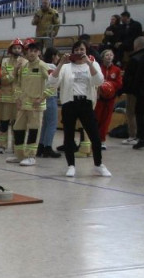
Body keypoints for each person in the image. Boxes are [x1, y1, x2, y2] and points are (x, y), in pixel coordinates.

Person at [47, 40, 109, 178]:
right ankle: (71, 166)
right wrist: (61, 63)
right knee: (68, 136)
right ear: (73, 51)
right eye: (77, 49)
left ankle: (98, 165)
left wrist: (89, 63)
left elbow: (99, 80)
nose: (79, 52)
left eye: (82, 49)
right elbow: (52, 82)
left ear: (86, 51)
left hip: (86, 103)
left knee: (95, 136)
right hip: (70, 103)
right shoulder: (66, 67)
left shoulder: (93, 64)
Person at [8, 41, 48, 166]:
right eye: (30, 51)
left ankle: (31, 156)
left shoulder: (42, 66)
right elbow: (18, 84)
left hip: (36, 106)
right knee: (18, 128)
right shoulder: (24, 67)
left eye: (35, 51)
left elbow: (52, 83)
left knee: (34, 130)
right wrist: (18, 98)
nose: (32, 53)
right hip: (23, 104)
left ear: (39, 52)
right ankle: (20, 156)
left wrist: (42, 98)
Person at [0, 39, 26, 153]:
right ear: (10, 49)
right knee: (4, 123)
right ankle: (2, 146)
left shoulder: (25, 62)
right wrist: (14, 72)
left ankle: (16, 146)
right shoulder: (5, 61)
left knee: (17, 124)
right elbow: (3, 80)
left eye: (19, 48)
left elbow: (24, 80)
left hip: (18, 99)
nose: (17, 50)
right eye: (14, 48)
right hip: (5, 98)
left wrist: (12, 76)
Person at [120, 36, 144, 145]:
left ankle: (133, 135)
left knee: (131, 112)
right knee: (142, 111)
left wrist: (123, 89)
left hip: (134, 90)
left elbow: (128, 77)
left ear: (136, 45)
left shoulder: (134, 59)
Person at [94, 49, 123, 150]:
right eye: (107, 55)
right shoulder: (98, 68)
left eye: (111, 55)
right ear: (102, 57)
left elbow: (119, 84)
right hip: (99, 97)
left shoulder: (117, 70)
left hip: (110, 98)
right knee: (96, 118)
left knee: (106, 119)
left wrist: (109, 85)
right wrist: (101, 85)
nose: (109, 56)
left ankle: (102, 140)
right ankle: (94, 139)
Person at [37, 47, 62, 158]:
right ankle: (48, 147)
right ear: (53, 56)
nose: (58, 58)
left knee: (45, 125)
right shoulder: (53, 67)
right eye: (57, 55)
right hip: (50, 97)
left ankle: (41, 146)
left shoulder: (42, 65)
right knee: (52, 124)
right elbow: (54, 82)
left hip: (42, 96)